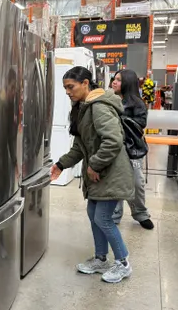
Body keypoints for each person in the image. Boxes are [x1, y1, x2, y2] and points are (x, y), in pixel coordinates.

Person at [51, 66, 134, 283]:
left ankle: (123, 263)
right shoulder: (83, 108)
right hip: (99, 174)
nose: (68, 91)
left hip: (111, 173)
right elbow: (80, 147)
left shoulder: (98, 107)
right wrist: (60, 164)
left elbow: (113, 141)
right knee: (93, 215)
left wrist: (95, 165)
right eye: (65, 88)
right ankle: (100, 259)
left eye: (71, 86)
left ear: (86, 83)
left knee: (103, 218)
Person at [110, 69, 154, 230]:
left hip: (132, 148)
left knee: (136, 182)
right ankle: (114, 215)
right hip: (114, 147)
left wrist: (119, 119)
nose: (114, 82)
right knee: (115, 182)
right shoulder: (110, 99)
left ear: (128, 83)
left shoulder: (137, 103)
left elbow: (140, 124)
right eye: (114, 79)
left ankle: (140, 214)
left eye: (119, 80)